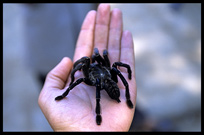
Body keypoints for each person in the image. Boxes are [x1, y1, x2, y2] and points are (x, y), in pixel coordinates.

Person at [38, 4, 137, 131]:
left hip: (102, 83)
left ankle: (99, 115)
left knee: (88, 74)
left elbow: (88, 68)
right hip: (109, 81)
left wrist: (73, 76)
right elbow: (106, 58)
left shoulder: (88, 77)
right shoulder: (108, 68)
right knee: (115, 67)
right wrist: (127, 73)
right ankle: (127, 100)